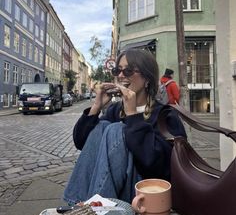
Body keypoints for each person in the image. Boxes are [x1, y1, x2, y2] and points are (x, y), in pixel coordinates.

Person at [63, 49, 186, 205]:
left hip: (145, 194)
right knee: (102, 126)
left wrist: (133, 115)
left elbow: (161, 168)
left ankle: (96, 211)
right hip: (116, 193)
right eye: (117, 70)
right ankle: (77, 206)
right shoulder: (115, 110)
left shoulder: (165, 115)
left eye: (128, 71)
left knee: (115, 129)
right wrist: (97, 106)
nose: (121, 76)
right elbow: (82, 143)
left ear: (147, 78)